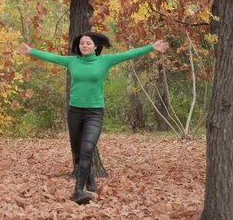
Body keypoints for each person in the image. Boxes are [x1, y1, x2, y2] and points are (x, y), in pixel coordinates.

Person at [19, 32, 169, 204]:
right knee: (78, 155)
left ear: (96, 46)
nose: (84, 45)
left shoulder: (104, 61)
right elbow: (52, 57)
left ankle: (78, 192)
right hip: (74, 113)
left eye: (88, 43)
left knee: (87, 150)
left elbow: (128, 54)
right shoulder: (72, 61)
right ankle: (90, 181)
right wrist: (31, 51)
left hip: (94, 113)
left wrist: (152, 47)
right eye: (82, 43)